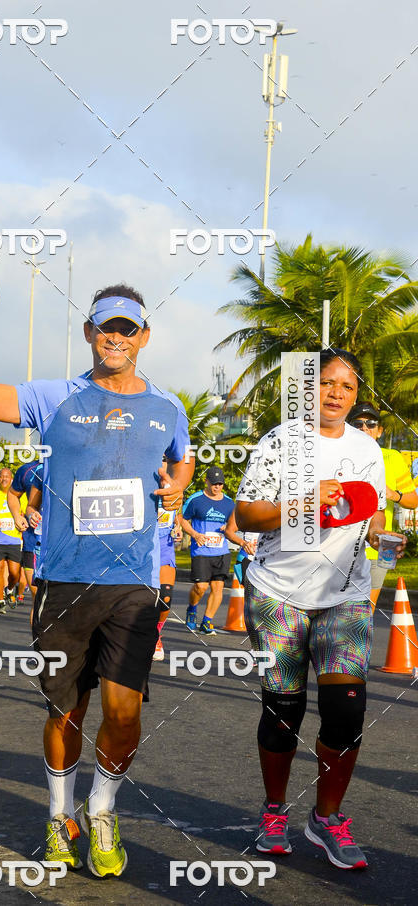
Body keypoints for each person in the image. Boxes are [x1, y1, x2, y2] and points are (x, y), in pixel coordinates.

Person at [0, 257, 192, 878]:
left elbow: (182, 460)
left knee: (125, 711)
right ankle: (58, 813)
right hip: (64, 583)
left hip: (134, 585)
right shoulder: (54, 397)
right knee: (65, 711)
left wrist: (177, 487)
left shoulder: (168, 408)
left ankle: (102, 810)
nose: (115, 337)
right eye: (104, 327)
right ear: (89, 334)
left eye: (127, 328)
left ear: (144, 337)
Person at [235, 348, 406, 870]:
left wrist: (383, 533)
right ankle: (273, 812)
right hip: (278, 594)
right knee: (283, 709)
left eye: (347, 387)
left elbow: (366, 512)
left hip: (345, 597)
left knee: (348, 710)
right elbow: (246, 514)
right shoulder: (279, 443)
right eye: (326, 383)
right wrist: (304, 502)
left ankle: (327, 818)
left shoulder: (367, 449)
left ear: (357, 396)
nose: (336, 393)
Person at [347, 402, 418, 609]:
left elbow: (413, 501)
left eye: (370, 424)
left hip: (381, 546)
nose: (364, 428)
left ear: (380, 431)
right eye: (358, 424)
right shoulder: (338, 455)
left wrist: (392, 494)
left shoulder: (392, 457)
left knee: (365, 611)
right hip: (342, 547)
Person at [180, 467, 236, 634]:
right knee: (201, 587)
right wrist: (195, 534)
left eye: (220, 484)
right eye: (214, 484)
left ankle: (207, 621)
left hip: (222, 551)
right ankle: (192, 608)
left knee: (218, 587)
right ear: (207, 482)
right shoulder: (195, 499)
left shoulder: (228, 502)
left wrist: (229, 526)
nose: (217, 487)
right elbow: (182, 519)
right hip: (201, 551)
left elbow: (235, 522)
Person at [0, 468, 28, 613]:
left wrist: (25, 520)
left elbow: (27, 512)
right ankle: (1, 601)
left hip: (14, 539)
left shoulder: (21, 496)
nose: (4, 479)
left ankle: (9, 589)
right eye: (1, 476)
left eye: (7, 476)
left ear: (12, 479)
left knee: (15, 573)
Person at [8, 460, 44, 604]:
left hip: (66, 543)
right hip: (34, 542)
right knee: (38, 597)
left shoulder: (75, 463)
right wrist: (17, 516)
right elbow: (12, 493)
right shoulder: (28, 470)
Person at [153, 493, 183, 661]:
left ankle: (155, 635)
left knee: (165, 596)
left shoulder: (176, 485)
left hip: (165, 544)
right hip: (141, 544)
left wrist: (177, 527)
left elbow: (177, 513)